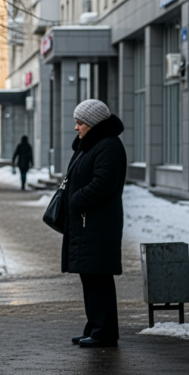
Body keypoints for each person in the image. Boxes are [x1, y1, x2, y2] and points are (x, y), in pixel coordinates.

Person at [62, 99, 127, 348]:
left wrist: (75, 200)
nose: (76, 128)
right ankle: (94, 327)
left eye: (80, 123)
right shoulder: (91, 145)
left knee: (98, 278)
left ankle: (104, 331)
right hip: (88, 224)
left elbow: (104, 184)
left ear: (94, 124)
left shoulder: (108, 146)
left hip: (99, 225)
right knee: (89, 277)